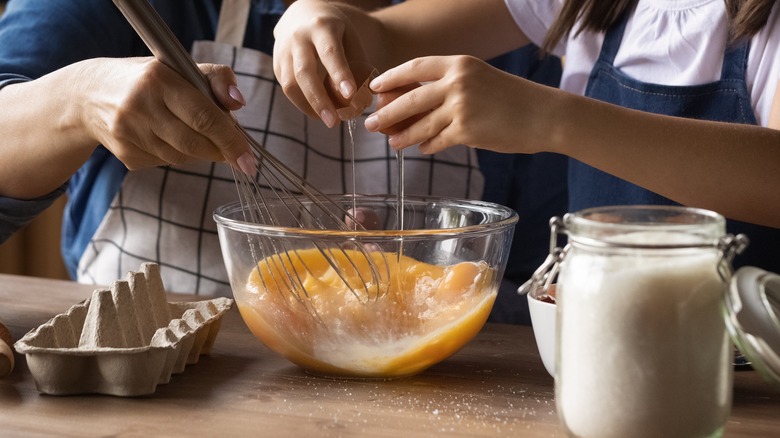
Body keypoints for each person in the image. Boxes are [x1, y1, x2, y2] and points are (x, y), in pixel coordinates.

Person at [0, 0, 485, 296]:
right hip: (157, 389)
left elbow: (524, 277)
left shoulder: (512, 25)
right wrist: (77, 100)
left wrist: (419, 281)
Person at [273, 0, 780, 273]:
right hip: (594, 340)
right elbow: (387, 36)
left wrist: (551, 119)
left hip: (745, 369)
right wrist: (326, 19)